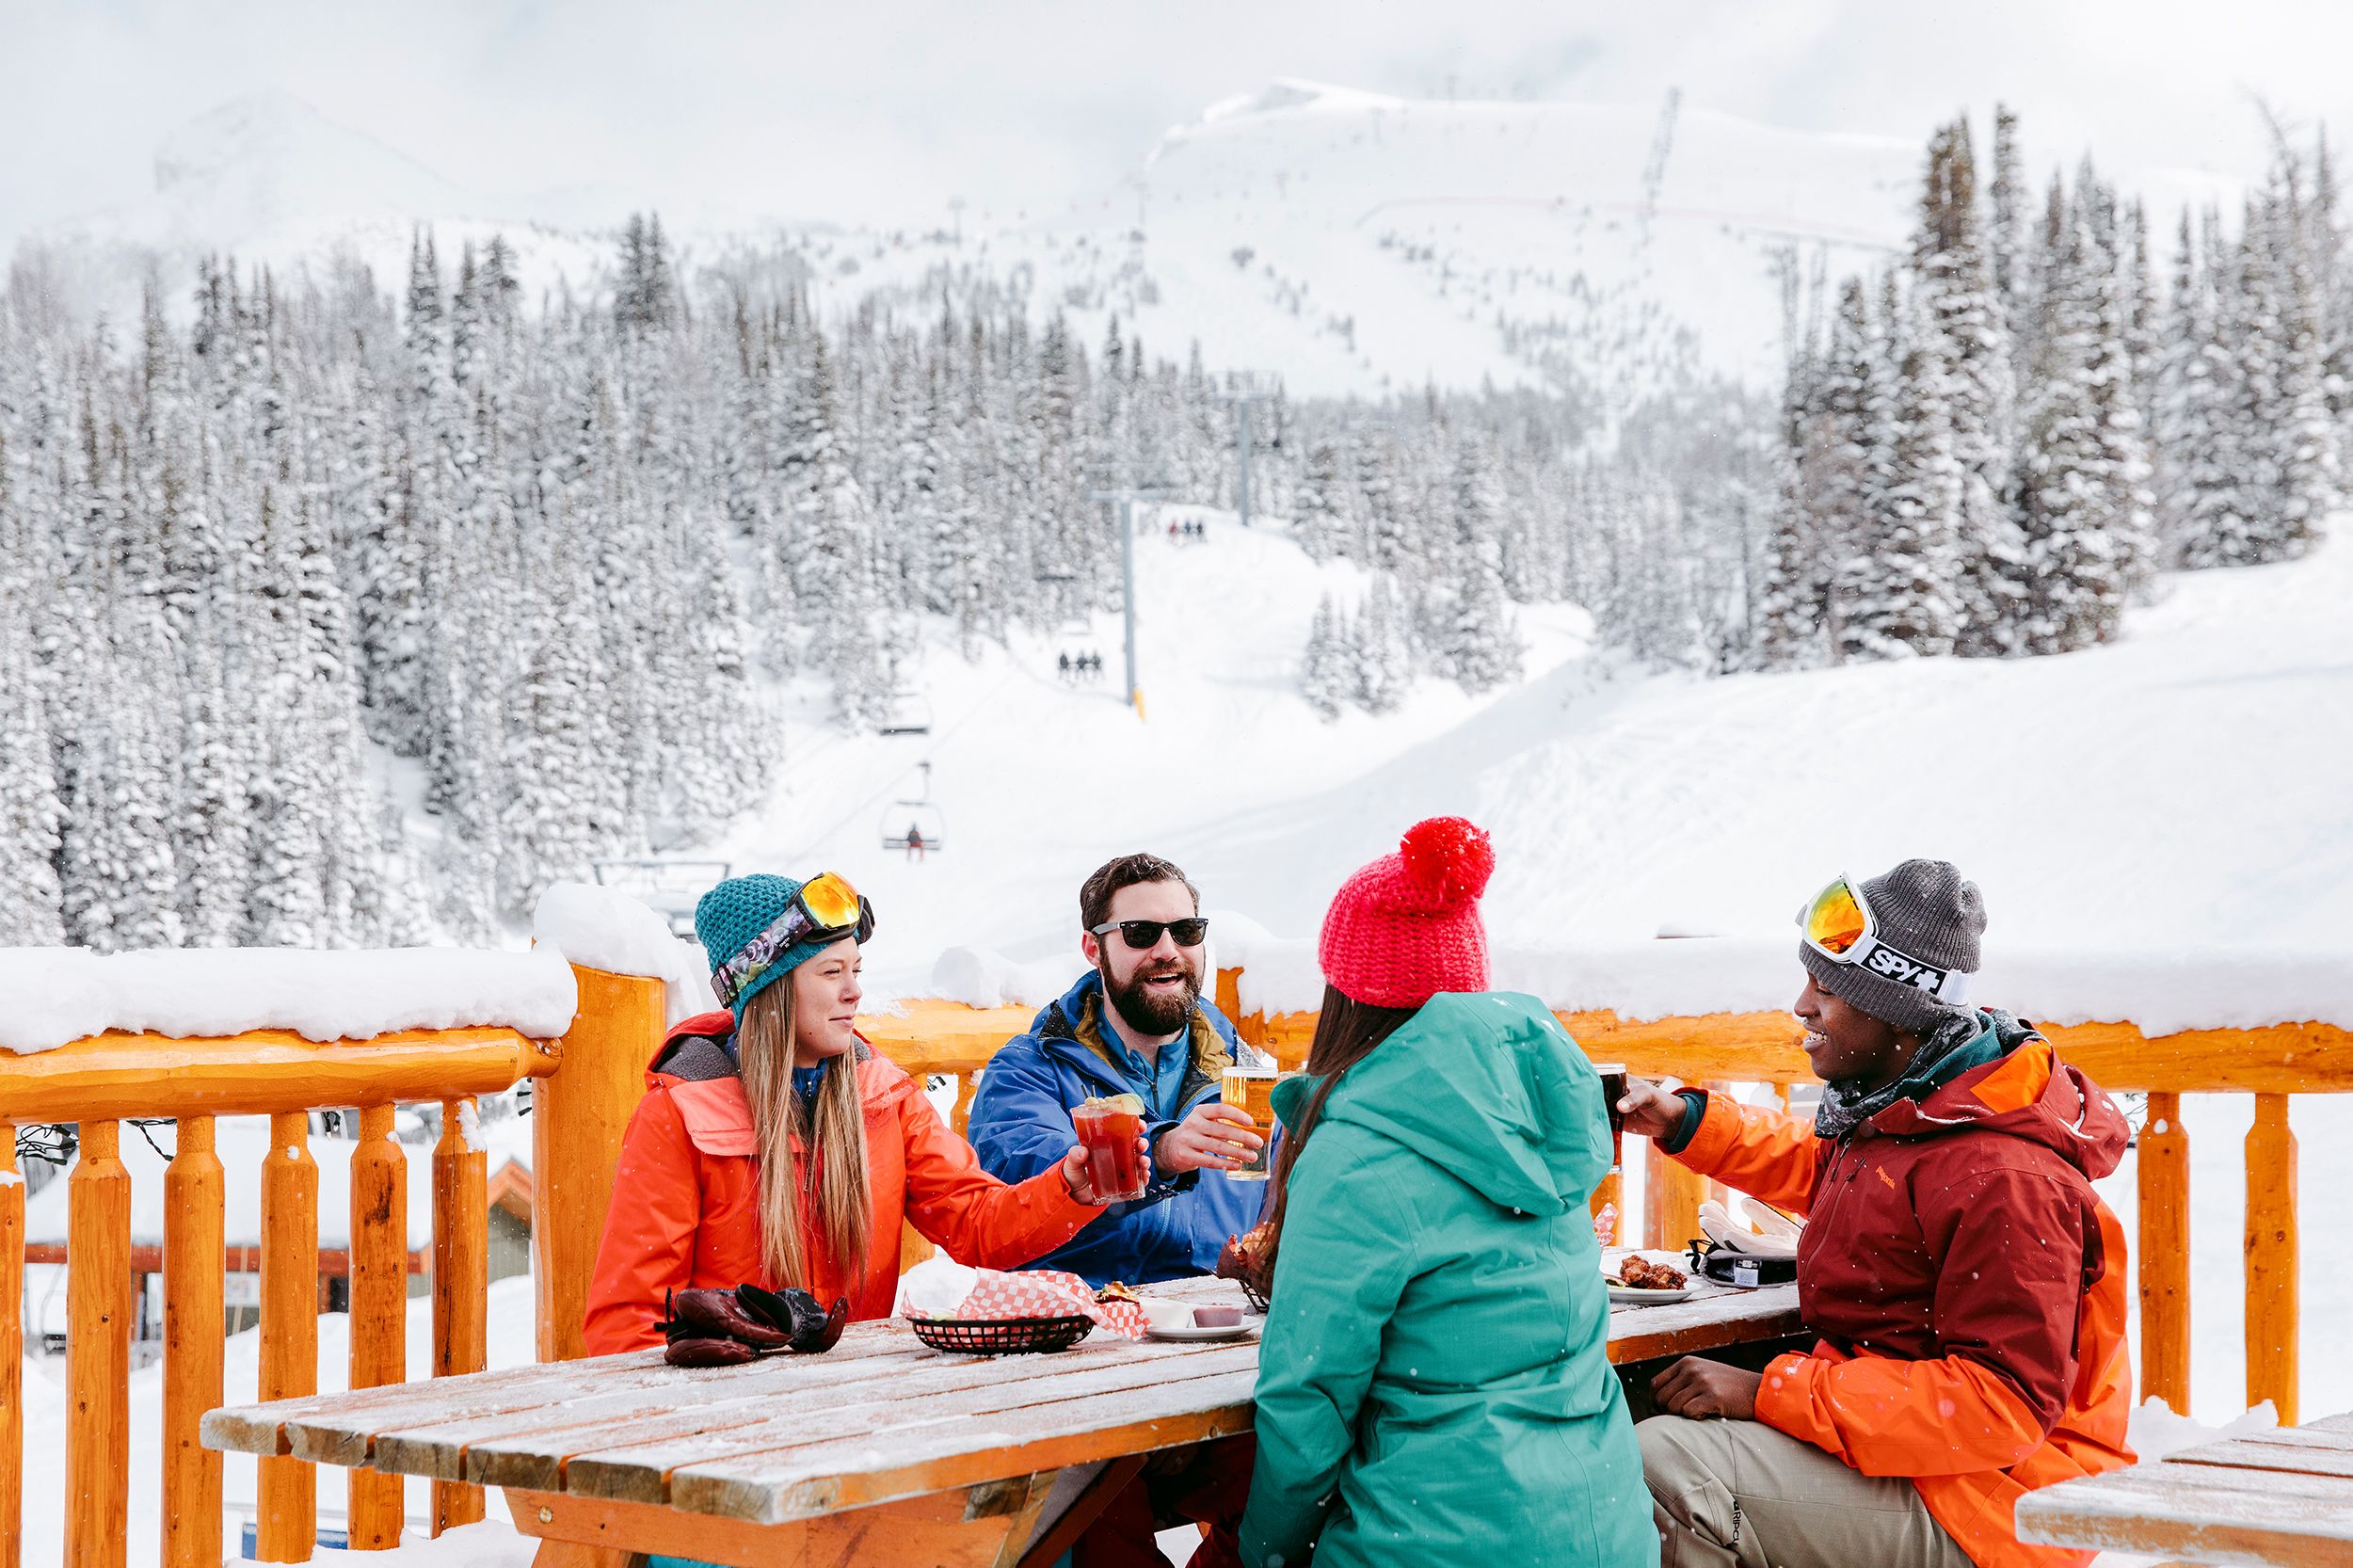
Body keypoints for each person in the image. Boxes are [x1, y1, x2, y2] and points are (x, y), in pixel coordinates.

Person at [1619, 860, 2133, 1568]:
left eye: (1826, 989)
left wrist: (1770, 1391)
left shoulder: (2006, 1176)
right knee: (1635, 1403)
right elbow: (1835, 1174)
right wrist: (1684, 1122)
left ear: (1895, 1011)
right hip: (1924, 1460)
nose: (1801, 1006)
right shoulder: (1919, 1108)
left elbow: (1999, 1407)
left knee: (1668, 1470)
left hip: (1999, 1507)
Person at [1237, 817, 1655, 1568]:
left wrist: (1265, 1551)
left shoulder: (1357, 1151)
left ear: (1346, 995)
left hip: (1433, 1541)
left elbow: (1308, 1400)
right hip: (1605, 1531)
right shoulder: (1539, 1109)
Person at [584, 870, 1130, 1357]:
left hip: (856, 1399)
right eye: (830, 973)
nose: (854, 992)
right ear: (769, 992)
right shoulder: (680, 1114)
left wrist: (1071, 1188)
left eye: (856, 969)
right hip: (726, 1417)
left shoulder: (884, 1097)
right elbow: (628, 1320)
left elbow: (975, 1224)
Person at [968, 852, 1266, 1288]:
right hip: (1072, 1336)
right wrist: (1159, 1154)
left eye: (1185, 931)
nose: (1167, 951)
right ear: (1094, 948)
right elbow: (1026, 1186)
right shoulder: (1027, 1071)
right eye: (1140, 934)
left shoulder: (1246, 1076)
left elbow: (1284, 1214)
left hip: (1213, 1327)